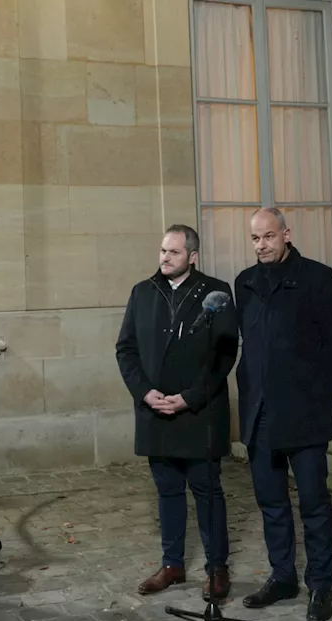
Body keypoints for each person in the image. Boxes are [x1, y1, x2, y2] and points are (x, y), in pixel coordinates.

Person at [234, 207, 332, 621]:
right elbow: (248, 346)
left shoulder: (319, 278)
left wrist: (320, 397)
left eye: (268, 236)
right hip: (260, 414)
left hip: (305, 413)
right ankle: (282, 576)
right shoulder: (244, 283)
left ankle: (320, 583)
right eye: (255, 238)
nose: (261, 245)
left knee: (314, 503)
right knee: (271, 502)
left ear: (286, 234)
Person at [116, 224, 239, 601]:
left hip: (198, 414)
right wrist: (145, 392)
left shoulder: (216, 293)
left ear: (192, 256)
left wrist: (190, 397)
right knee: (167, 491)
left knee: (207, 492)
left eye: (174, 252)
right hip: (155, 412)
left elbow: (224, 356)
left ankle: (217, 568)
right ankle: (172, 565)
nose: (165, 258)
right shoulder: (142, 292)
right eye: (162, 251)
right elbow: (126, 350)